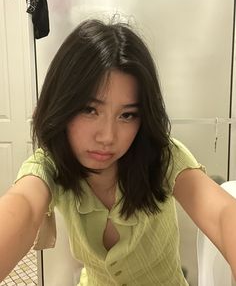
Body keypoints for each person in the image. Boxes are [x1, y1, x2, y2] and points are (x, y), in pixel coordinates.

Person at [0, 19, 236, 285]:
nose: (108, 137)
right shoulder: (52, 165)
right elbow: (24, 206)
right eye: (90, 110)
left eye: (127, 115)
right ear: (62, 105)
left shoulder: (162, 156)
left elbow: (221, 213)